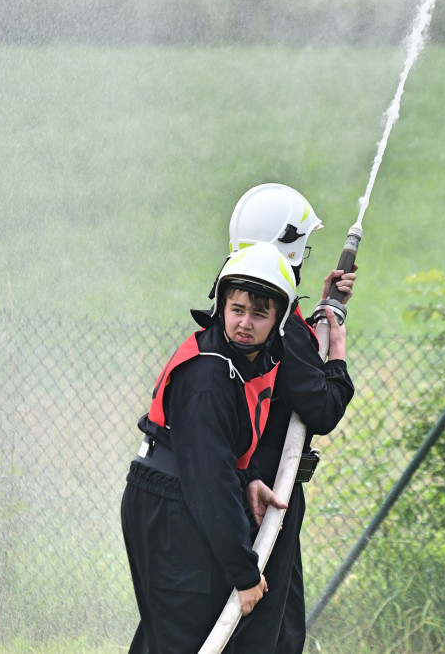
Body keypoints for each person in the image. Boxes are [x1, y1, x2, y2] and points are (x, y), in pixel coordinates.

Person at [121, 242, 322, 654]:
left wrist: (248, 480)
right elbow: (209, 483)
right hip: (172, 507)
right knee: (188, 640)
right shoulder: (209, 378)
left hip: (185, 498)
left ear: (278, 319)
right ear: (221, 307)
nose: (245, 323)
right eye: (237, 309)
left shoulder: (241, 362)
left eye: (259, 313)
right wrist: (244, 574)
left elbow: (220, 459)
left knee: (188, 639)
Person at [226, 183, 356, 654]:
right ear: (293, 247)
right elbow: (322, 408)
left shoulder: (239, 309)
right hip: (267, 498)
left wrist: (322, 307)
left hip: (240, 487)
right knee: (269, 631)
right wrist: (337, 353)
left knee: (275, 625)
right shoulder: (280, 327)